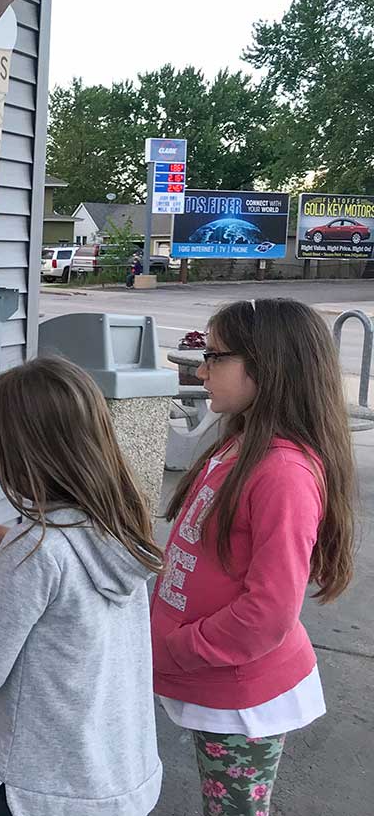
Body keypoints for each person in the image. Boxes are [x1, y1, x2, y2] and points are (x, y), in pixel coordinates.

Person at [0, 358, 164, 816]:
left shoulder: (33, 554)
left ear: (22, 456)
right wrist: (8, 536)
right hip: (118, 781)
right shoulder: (119, 524)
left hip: (42, 793)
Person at [151, 298, 356, 816]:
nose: (200, 370)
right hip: (214, 680)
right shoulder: (238, 445)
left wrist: (178, 648)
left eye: (215, 356)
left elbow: (267, 613)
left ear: (267, 365)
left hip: (243, 698)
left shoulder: (282, 473)